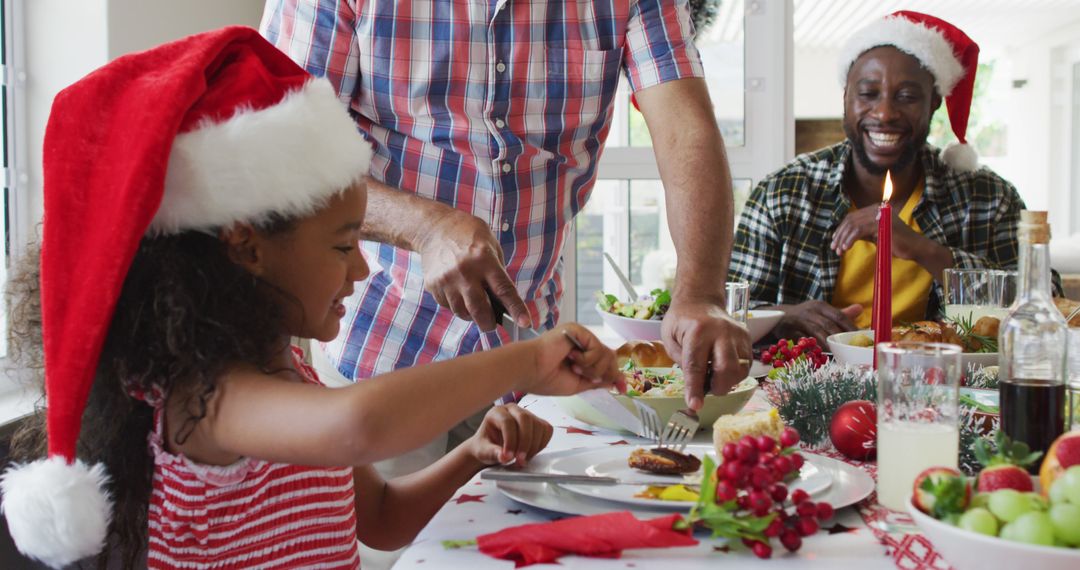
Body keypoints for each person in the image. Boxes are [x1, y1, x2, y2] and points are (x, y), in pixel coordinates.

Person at [0, 27, 623, 569]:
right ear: (247, 247)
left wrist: (472, 454)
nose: (359, 268)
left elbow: (379, 516)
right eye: (341, 245)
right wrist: (530, 359)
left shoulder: (290, 374)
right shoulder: (206, 401)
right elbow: (358, 426)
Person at [259, 1, 752, 431]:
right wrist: (425, 226)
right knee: (397, 541)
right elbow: (284, 152)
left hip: (530, 363)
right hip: (382, 348)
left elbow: (686, 130)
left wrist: (700, 294)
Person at [729, 11, 1028, 345]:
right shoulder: (784, 192)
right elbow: (731, 310)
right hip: (809, 384)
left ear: (934, 104)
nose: (885, 113)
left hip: (940, 386)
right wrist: (786, 314)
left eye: (907, 96)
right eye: (868, 94)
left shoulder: (987, 197)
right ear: (845, 99)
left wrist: (926, 251)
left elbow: (1042, 307)